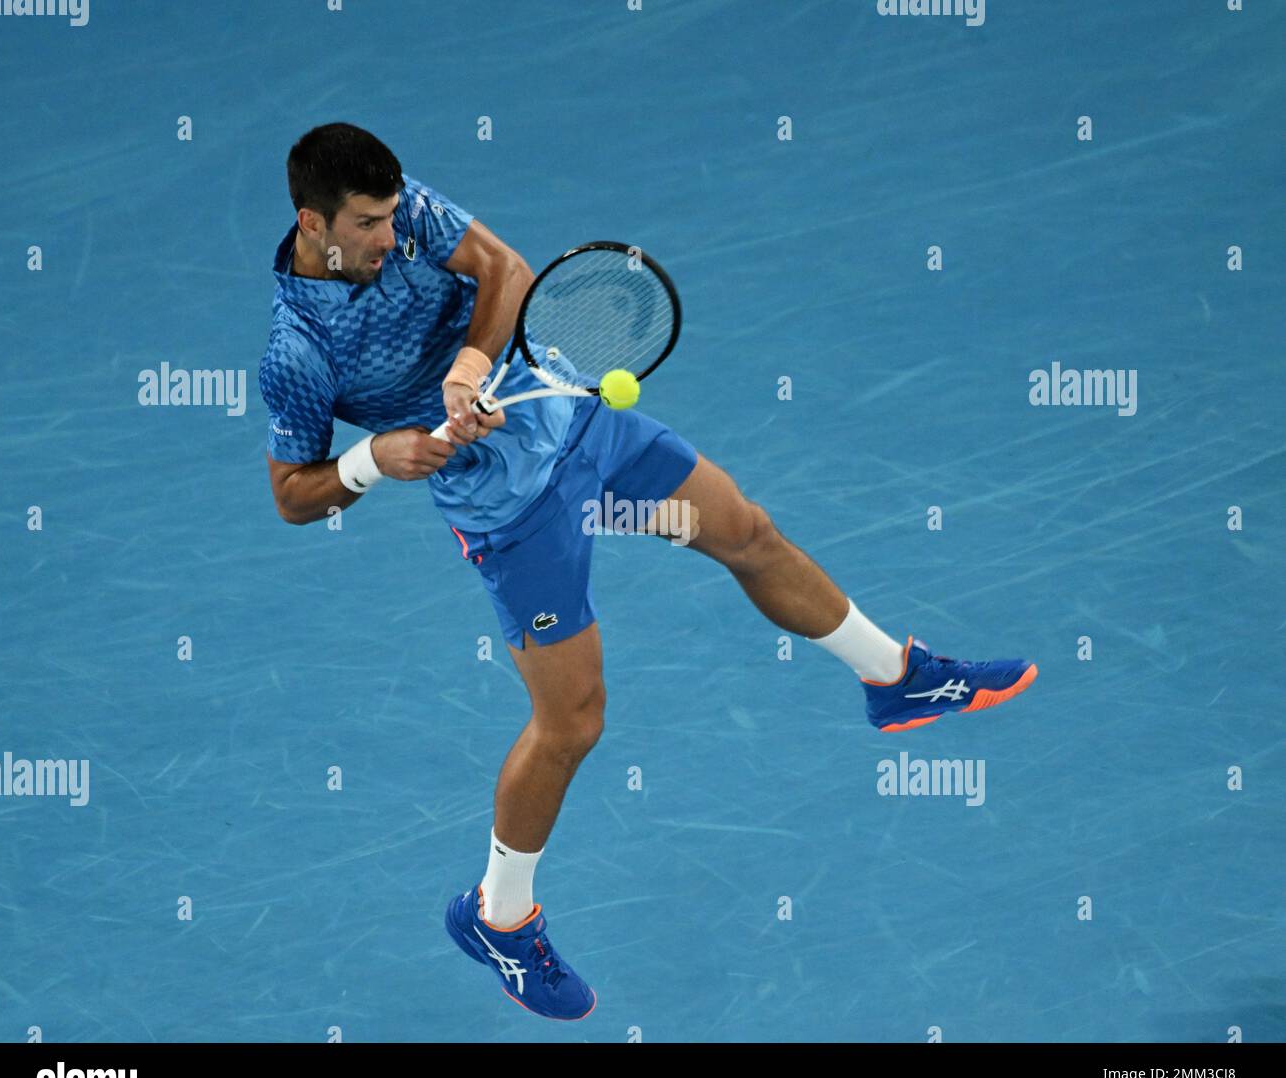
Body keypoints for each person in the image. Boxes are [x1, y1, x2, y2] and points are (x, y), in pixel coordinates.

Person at [259, 122, 1038, 1021]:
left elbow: (506, 270)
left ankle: (895, 679)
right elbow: (291, 496)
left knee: (745, 529)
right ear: (313, 223)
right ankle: (499, 919)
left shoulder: (404, 210)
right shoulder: (297, 351)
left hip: (575, 421)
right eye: (366, 226)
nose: (389, 239)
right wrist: (372, 461)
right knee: (572, 723)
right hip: (514, 517)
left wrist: (472, 364)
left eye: (392, 218)